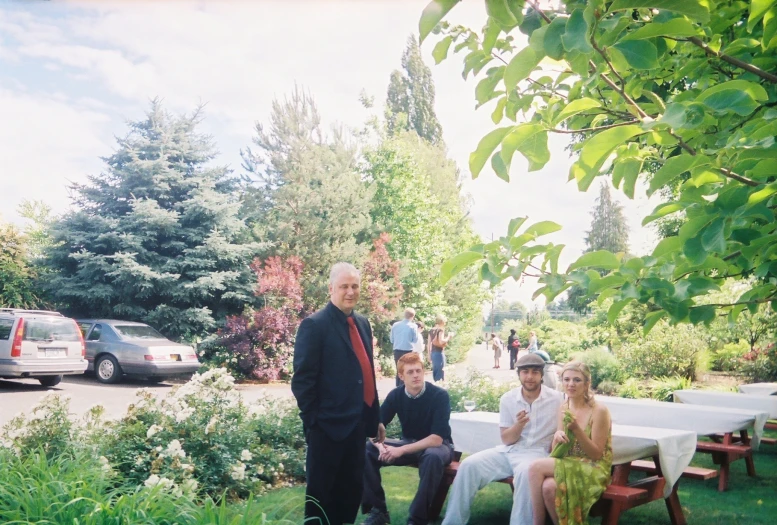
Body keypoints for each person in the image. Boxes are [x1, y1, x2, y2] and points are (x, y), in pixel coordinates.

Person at [291, 262, 380, 525]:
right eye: (344, 286)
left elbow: (367, 374)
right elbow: (303, 381)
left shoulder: (362, 323)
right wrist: (314, 422)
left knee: (350, 495)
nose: (350, 291)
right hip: (326, 430)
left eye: (355, 286)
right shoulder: (314, 325)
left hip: (356, 429)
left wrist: (375, 418)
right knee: (321, 499)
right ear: (331, 288)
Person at [441, 353, 564, 525]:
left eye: (535, 372)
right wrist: (519, 425)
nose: (530, 377)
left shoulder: (557, 399)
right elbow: (506, 439)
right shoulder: (508, 398)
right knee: (468, 465)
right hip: (510, 450)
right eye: (525, 372)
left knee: (525, 473)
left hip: (537, 454)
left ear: (542, 375)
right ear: (519, 374)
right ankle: (452, 522)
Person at [362, 352, 454, 525]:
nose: (416, 375)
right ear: (401, 375)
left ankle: (417, 519)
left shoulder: (439, 396)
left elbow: (436, 439)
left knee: (432, 457)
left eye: (418, 371)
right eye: (410, 372)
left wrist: (400, 450)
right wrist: (381, 446)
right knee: (366, 450)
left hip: (439, 447)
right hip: (408, 443)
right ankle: (378, 512)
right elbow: (374, 428)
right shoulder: (396, 395)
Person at [528, 361, 612, 525]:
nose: (570, 384)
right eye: (566, 380)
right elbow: (558, 451)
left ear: (587, 383)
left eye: (577, 380)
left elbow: (596, 454)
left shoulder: (599, 410)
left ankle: (536, 522)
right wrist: (557, 437)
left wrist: (577, 431)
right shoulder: (564, 407)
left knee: (534, 467)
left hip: (594, 466)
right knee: (548, 487)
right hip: (569, 462)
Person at [391, 308, 419, 387]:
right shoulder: (413, 326)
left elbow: (391, 339)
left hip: (397, 350)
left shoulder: (395, 325)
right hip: (408, 350)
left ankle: (398, 387)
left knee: (399, 370)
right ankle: (406, 387)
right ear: (413, 316)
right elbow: (415, 340)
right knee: (408, 370)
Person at [427, 314, 451, 382]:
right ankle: (440, 388)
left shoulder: (431, 330)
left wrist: (429, 355)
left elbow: (428, 344)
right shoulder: (440, 330)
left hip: (433, 353)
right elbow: (441, 341)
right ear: (442, 322)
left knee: (435, 370)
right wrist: (448, 337)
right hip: (439, 353)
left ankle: (436, 385)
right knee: (440, 372)